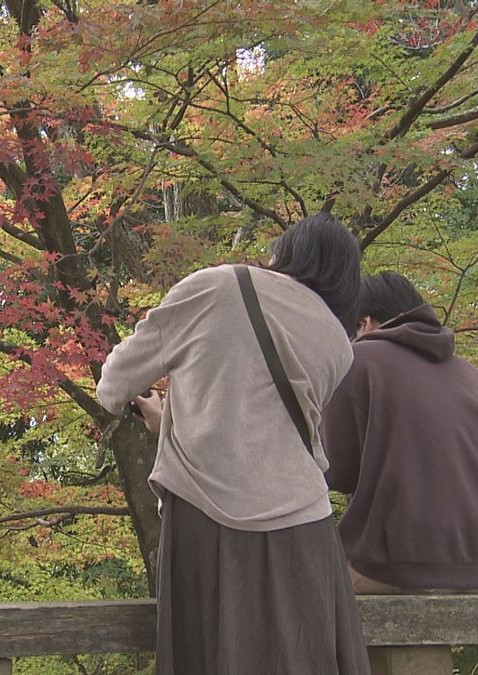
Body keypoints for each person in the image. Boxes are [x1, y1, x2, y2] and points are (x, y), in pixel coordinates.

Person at [97, 213, 370, 674]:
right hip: (305, 530)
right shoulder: (336, 343)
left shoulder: (218, 287)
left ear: (288, 252)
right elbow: (264, 429)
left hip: (206, 521)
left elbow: (113, 386)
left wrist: (166, 415)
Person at [320, 271, 478, 594]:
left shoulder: (358, 360)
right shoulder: (468, 373)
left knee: (297, 592)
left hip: (400, 564)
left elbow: (336, 472)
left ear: (364, 322)